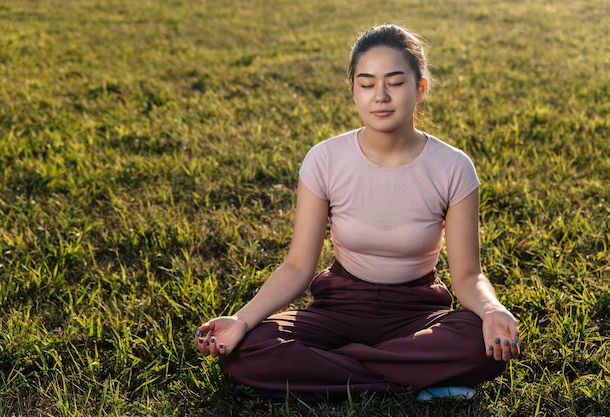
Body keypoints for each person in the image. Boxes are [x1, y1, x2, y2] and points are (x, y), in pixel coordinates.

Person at [195, 23, 520, 402]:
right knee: (249, 348)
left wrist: (492, 310)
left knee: (481, 340)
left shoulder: (453, 167)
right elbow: (298, 267)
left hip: (416, 313)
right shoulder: (325, 160)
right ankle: (412, 382)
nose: (380, 96)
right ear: (353, 89)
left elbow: (467, 275)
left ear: (420, 88)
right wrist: (241, 320)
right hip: (338, 308)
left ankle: (332, 371)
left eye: (395, 82)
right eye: (366, 83)